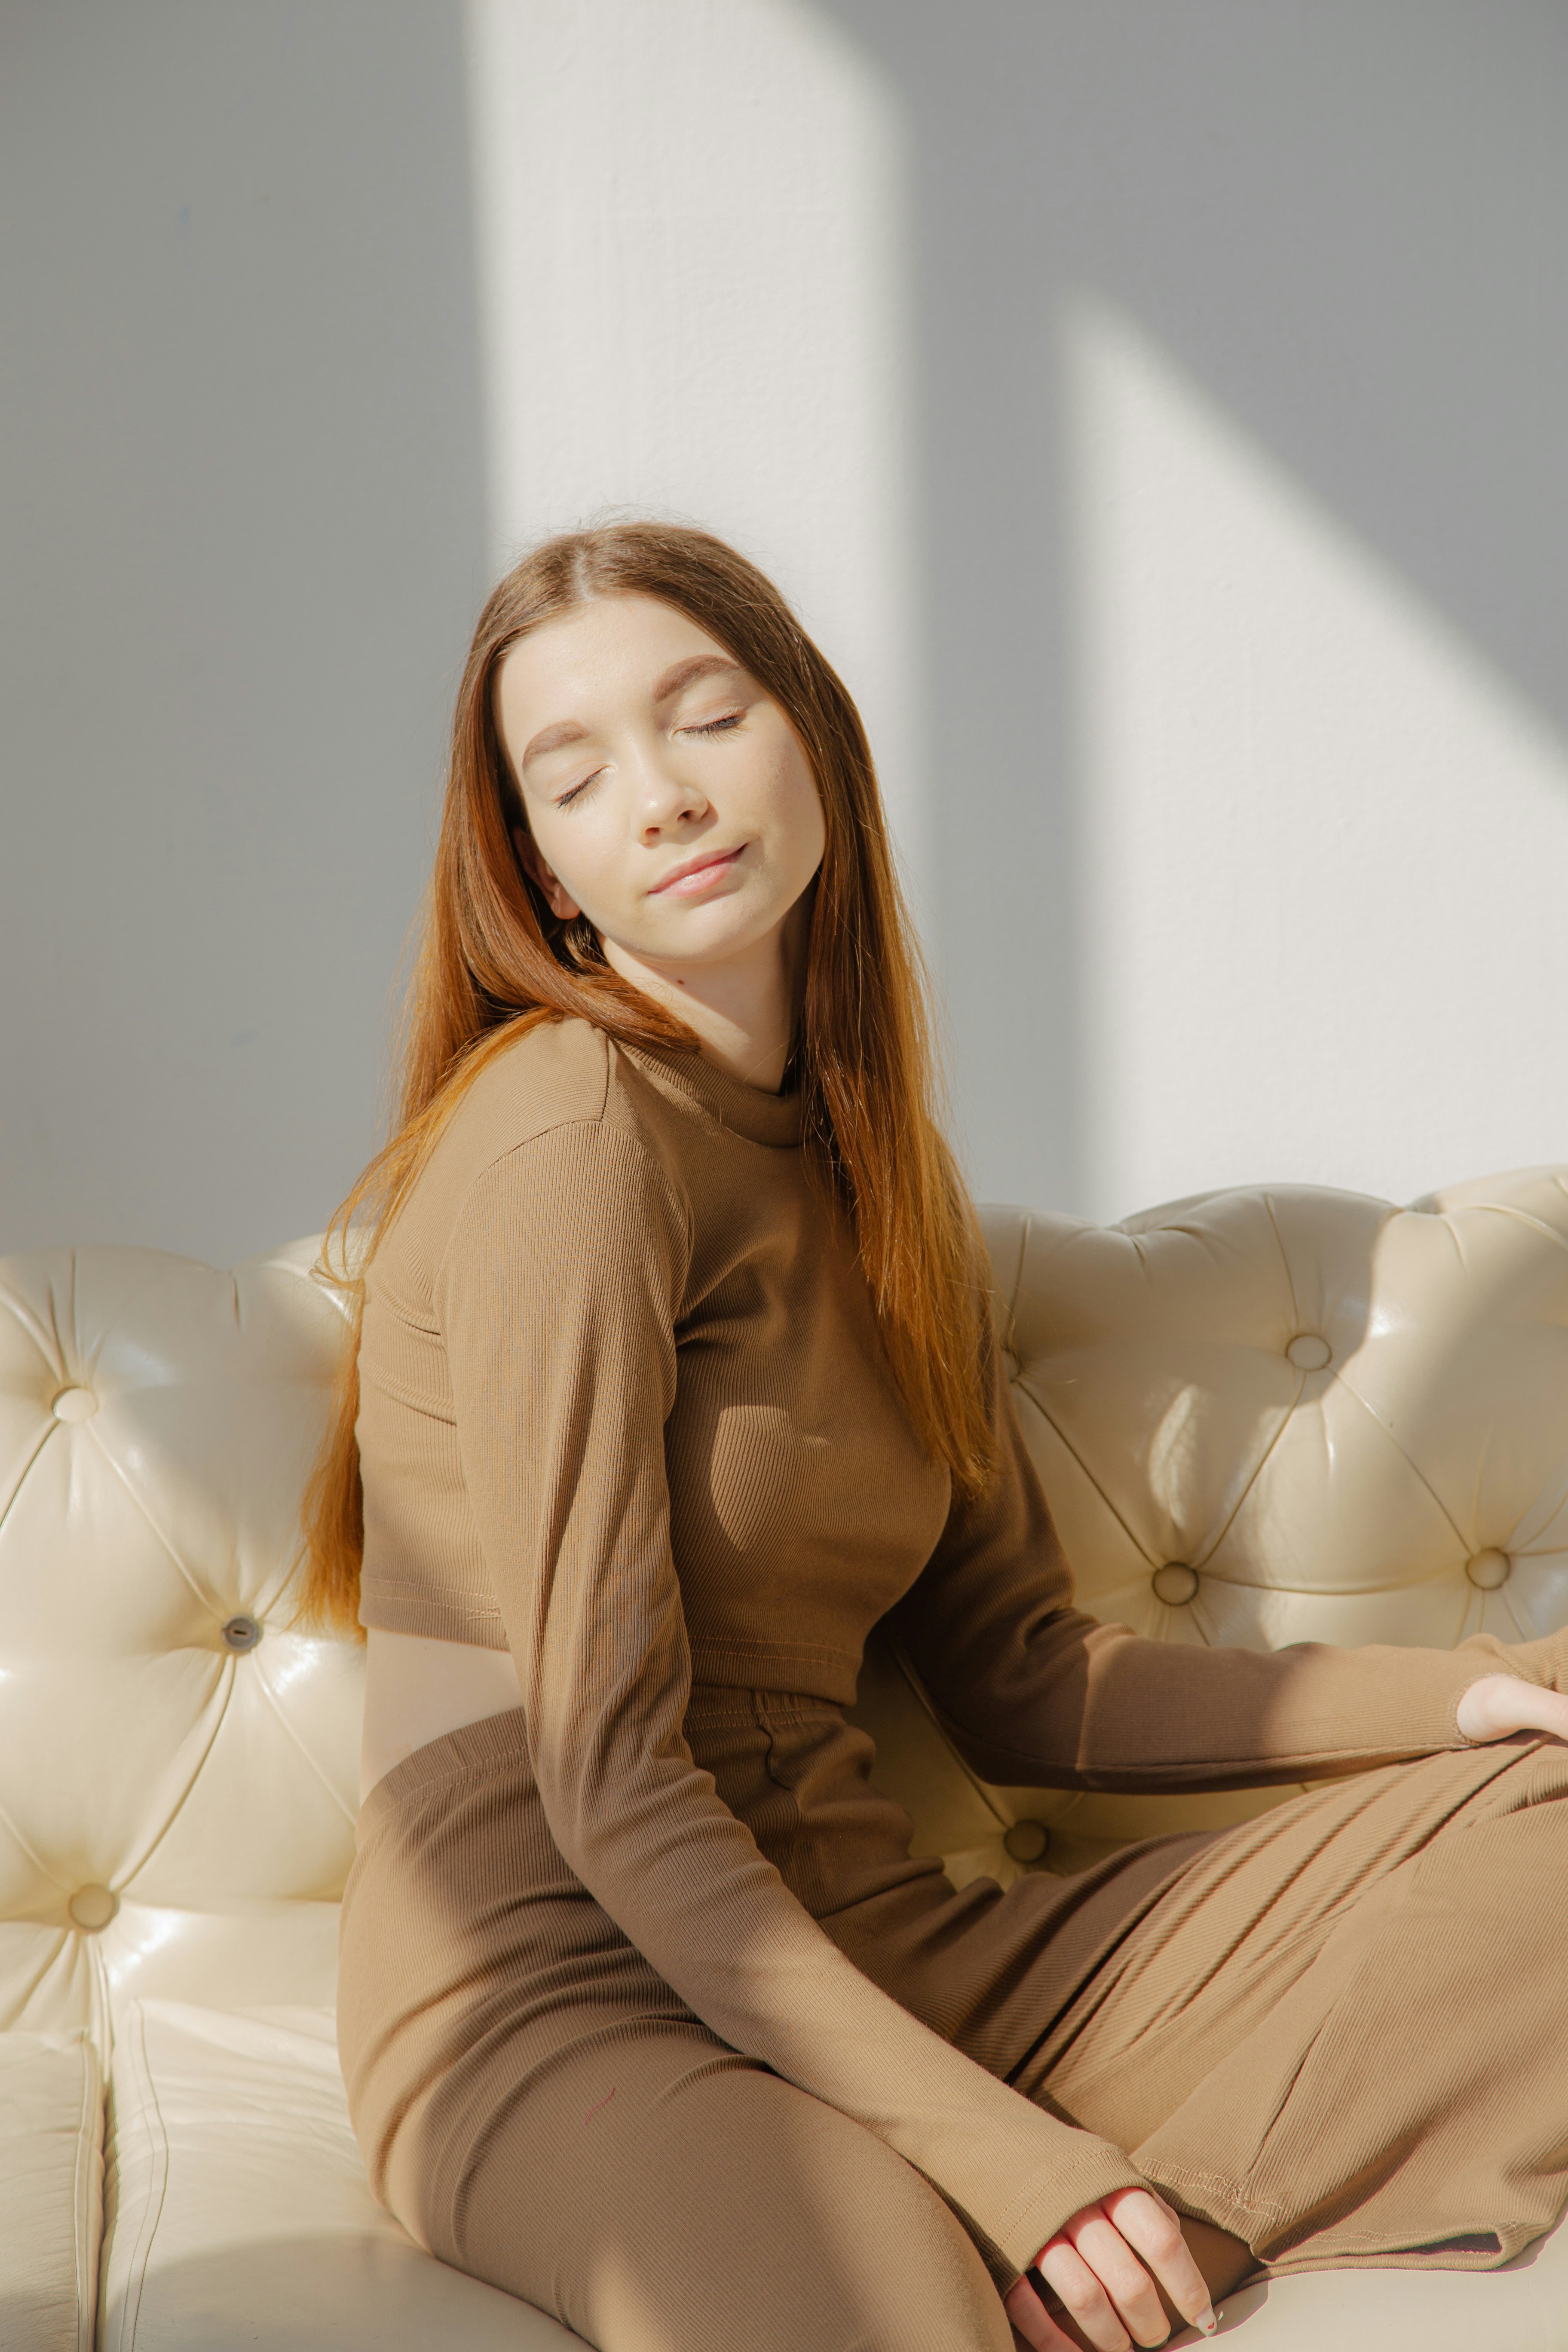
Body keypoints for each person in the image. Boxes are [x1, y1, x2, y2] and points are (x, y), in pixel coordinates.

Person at [301, 522, 1568, 2352]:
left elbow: (1035, 1683)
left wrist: (1480, 1691)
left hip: (880, 1948)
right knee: (890, 2315)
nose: (658, 798)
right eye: (573, 778)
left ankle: (1152, 2241)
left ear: (810, 734)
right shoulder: (568, 1137)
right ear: (543, 876)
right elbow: (610, 1780)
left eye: (706, 715)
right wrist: (1019, 2164)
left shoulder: (885, 1175)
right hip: (559, 1977)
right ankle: (1072, 2239)